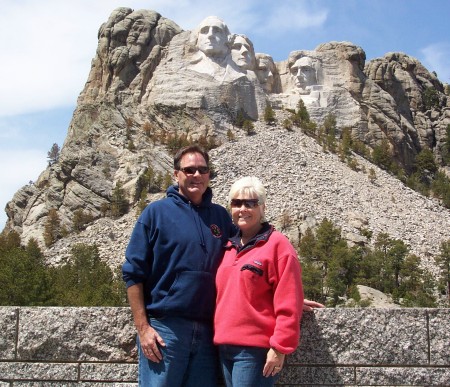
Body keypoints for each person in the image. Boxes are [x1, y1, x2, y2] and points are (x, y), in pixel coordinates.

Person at [122, 145, 235, 387]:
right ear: (176, 174)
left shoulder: (221, 217)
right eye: (189, 169)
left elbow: (247, 258)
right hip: (166, 330)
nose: (196, 175)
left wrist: (285, 296)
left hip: (209, 333)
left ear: (209, 174)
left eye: (203, 169)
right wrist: (143, 328)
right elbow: (133, 273)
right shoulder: (155, 213)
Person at [214, 176, 304, 387]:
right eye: (237, 203)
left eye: (250, 203)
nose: (243, 209)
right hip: (223, 346)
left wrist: (280, 347)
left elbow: (289, 300)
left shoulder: (278, 246)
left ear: (262, 207)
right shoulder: (228, 246)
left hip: (255, 352)